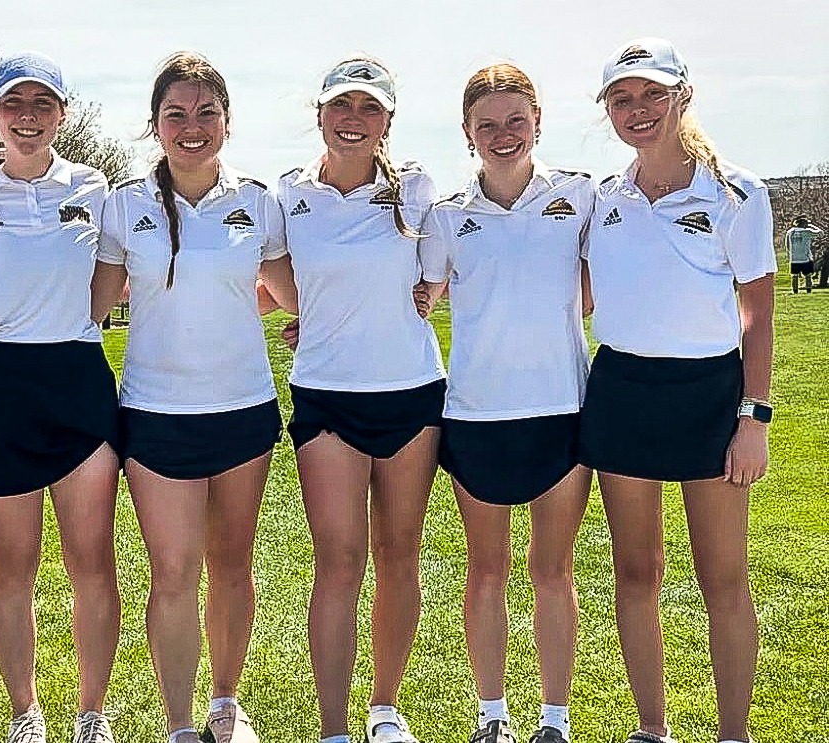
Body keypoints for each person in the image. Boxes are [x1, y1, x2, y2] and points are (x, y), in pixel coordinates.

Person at [90, 51, 297, 743]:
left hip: (243, 407)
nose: (192, 126)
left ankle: (225, 703)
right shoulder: (124, 203)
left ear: (227, 122)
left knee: (233, 564)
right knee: (173, 572)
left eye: (206, 112)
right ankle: (180, 724)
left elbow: (289, 289)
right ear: (155, 125)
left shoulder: (258, 200)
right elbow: (93, 299)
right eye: (176, 114)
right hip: (155, 413)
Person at [581, 38, 774, 743]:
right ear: (608, 109)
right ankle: (652, 727)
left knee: (722, 578)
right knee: (637, 571)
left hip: (709, 395)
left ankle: (733, 733)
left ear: (682, 97)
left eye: (652, 95)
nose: (638, 110)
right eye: (623, 98)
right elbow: (563, 294)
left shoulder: (737, 193)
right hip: (623, 390)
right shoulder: (602, 199)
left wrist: (753, 416)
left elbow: (758, 315)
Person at [0, 51, 121, 743]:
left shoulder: (95, 185)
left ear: (62, 115)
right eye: (14, 104)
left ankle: (90, 713)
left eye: (43, 104)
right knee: (11, 567)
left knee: (91, 562)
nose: (28, 117)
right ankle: (26, 713)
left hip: (78, 383)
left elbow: (117, 271)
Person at [417, 63, 593, 743]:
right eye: (487, 124)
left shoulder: (578, 196)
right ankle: (493, 715)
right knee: (485, 571)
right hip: (476, 416)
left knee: (553, 569)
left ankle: (554, 719)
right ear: (467, 132)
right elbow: (421, 296)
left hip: (562, 412)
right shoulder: (446, 216)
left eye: (516, 119)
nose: (503, 134)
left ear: (539, 121)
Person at [270, 56, 443, 743]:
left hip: (411, 395)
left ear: (388, 122)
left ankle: (384, 709)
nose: (353, 119)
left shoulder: (418, 189)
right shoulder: (287, 196)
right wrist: (312, 314)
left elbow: (434, 281)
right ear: (318, 115)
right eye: (341, 106)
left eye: (369, 109)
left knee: (400, 554)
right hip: (326, 402)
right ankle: (335, 727)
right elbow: (277, 276)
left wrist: (423, 295)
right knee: (338, 561)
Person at [786, 215, 822, 294]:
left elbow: (787, 245)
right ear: (804, 224)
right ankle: (808, 291)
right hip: (805, 258)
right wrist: (812, 225)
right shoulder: (807, 232)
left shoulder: (790, 232)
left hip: (794, 259)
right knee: (808, 275)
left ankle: (795, 291)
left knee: (794, 276)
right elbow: (820, 233)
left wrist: (792, 253)